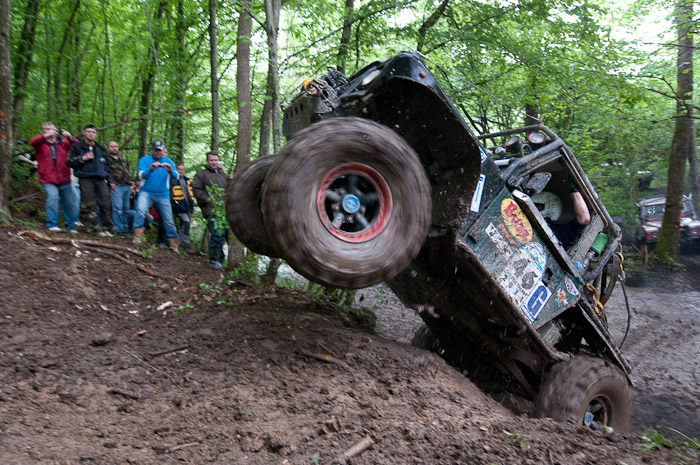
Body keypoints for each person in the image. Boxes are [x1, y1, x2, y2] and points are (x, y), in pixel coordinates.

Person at [132, 140, 180, 253]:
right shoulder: (144, 160)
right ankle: (137, 238)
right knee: (140, 211)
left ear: (163, 150)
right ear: (152, 150)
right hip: (146, 192)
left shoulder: (168, 161)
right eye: (156, 150)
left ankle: (174, 244)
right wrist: (150, 169)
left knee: (168, 219)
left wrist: (171, 171)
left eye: (160, 150)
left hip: (163, 194)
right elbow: (140, 176)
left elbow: (177, 176)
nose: (158, 152)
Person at [28, 123, 77, 233]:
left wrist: (69, 137)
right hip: (48, 178)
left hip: (64, 178)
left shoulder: (63, 142)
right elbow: (32, 142)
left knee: (69, 202)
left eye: (53, 129)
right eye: (47, 129)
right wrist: (46, 136)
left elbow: (78, 146)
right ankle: (52, 224)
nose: (51, 131)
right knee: (52, 198)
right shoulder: (40, 144)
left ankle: (70, 226)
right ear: (43, 131)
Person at [67, 124, 113, 236]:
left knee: (105, 203)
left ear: (96, 134)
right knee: (90, 204)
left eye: (93, 132)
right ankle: (96, 228)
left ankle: (105, 228)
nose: (91, 134)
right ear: (84, 133)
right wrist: (83, 158)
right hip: (85, 178)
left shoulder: (100, 148)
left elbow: (106, 166)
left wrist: (110, 180)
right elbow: (69, 162)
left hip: (100, 178)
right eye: (88, 132)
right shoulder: (77, 146)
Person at [193, 152, 230, 269]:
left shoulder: (222, 175)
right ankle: (213, 260)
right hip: (211, 211)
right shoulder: (201, 174)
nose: (214, 162)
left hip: (224, 211)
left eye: (216, 160)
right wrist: (208, 200)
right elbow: (196, 190)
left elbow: (231, 185)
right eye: (211, 160)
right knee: (217, 234)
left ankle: (221, 260)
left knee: (225, 235)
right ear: (207, 161)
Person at [532, 181, 590, 247]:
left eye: (537, 206)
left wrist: (574, 191)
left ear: (548, 211)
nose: (534, 207)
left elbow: (584, 219)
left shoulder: (557, 233)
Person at [105, 141, 132, 235]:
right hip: (116, 186)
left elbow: (126, 172)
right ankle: (118, 228)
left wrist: (131, 183)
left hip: (126, 186)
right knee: (118, 208)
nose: (114, 148)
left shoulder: (122, 160)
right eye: (111, 146)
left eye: (115, 146)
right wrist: (110, 181)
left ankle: (125, 228)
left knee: (126, 208)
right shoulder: (107, 159)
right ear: (108, 148)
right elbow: (106, 172)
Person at [170, 164, 195, 252]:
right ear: (176, 170)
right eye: (179, 169)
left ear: (184, 171)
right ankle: (184, 243)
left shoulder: (188, 181)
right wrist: (174, 205)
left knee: (185, 225)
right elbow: (171, 195)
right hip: (178, 207)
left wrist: (192, 207)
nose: (180, 171)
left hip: (188, 207)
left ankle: (182, 243)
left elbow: (191, 194)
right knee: (186, 222)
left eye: (182, 169)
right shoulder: (173, 180)